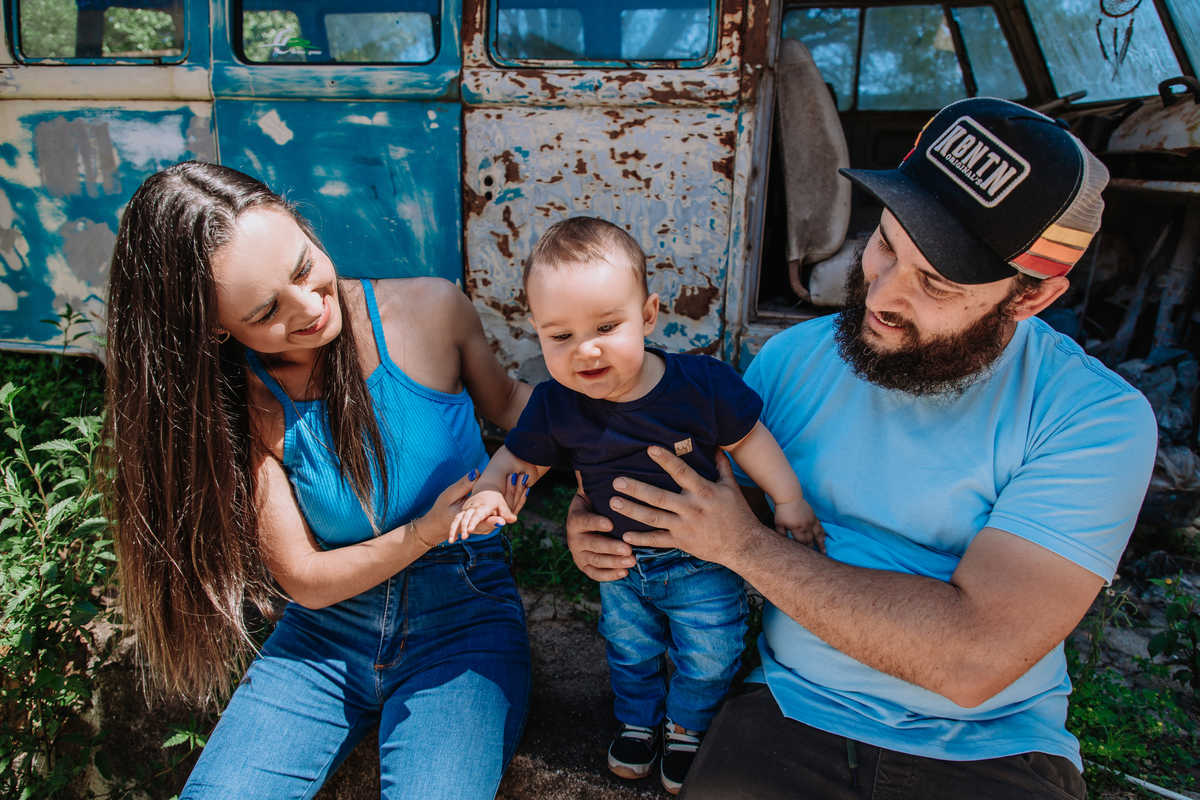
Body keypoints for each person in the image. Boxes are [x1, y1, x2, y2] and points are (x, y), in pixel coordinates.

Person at [564, 98, 1159, 799]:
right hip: (790, 712)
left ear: (1030, 299)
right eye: (886, 243)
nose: (882, 292)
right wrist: (606, 520)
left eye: (936, 282)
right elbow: (708, 511)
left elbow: (973, 660)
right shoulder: (790, 361)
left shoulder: (1092, 417)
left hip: (992, 747)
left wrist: (747, 548)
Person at [104, 161, 533, 799]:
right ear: (218, 327)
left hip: (464, 617)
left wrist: (630, 404)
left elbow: (515, 409)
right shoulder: (238, 400)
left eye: (304, 266)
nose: (309, 307)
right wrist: (423, 531)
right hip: (323, 639)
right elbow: (304, 578)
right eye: (266, 310)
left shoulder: (431, 310)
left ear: (305, 228)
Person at [448, 217, 821, 794]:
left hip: (702, 561)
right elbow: (519, 459)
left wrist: (789, 500)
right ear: (538, 335)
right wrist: (493, 488)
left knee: (712, 652)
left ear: (647, 316)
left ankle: (687, 725)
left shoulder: (699, 385)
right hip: (620, 569)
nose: (585, 351)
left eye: (606, 325)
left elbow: (749, 439)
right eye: (560, 336)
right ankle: (638, 721)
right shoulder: (556, 405)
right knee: (629, 648)